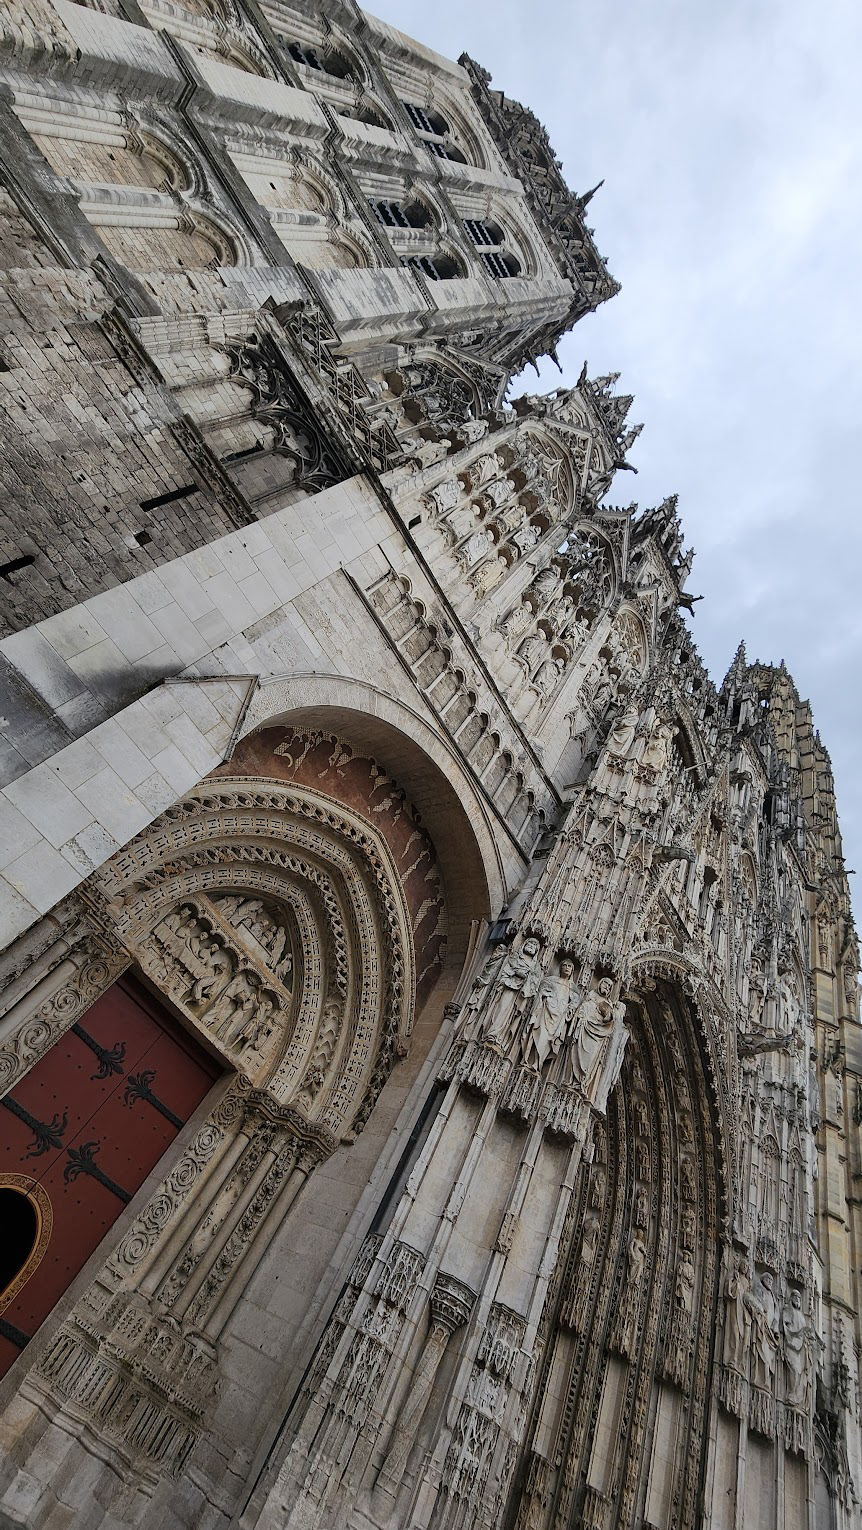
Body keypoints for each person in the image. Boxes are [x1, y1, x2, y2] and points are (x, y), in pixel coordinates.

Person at [522, 958, 578, 1070]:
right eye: (564, 965)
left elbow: (575, 1002)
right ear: (560, 967)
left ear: (572, 971)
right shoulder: (551, 980)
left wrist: (569, 1008)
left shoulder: (573, 987)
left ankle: (538, 1064)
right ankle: (527, 1059)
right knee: (538, 1034)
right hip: (545, 1012)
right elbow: (541, 989)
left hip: (558, 1019)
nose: (567, 968)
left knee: (548, 1041)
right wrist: (545, 995)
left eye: (569, 966)